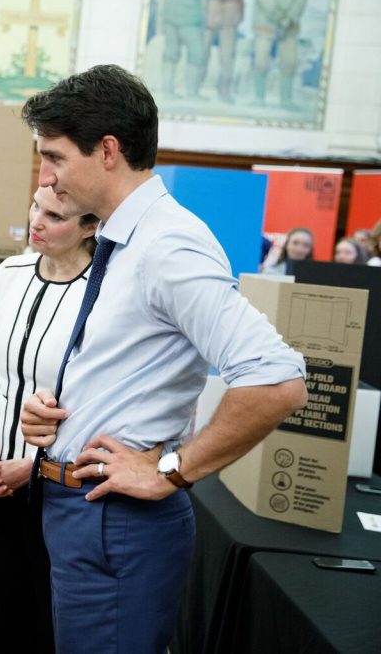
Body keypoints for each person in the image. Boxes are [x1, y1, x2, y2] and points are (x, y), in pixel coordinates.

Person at [18, 65, 307, 653]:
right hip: (81, 511)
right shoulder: (128, 238)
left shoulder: (168, 243)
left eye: (54, 157)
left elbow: (278, 380)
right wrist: (60, 414)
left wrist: (170, 469)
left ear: (106, 151)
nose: (45, 177)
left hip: (115, 521)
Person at [0, 184, 97, 652]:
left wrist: (35, 468)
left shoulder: (104, 292)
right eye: (35, 208)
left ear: (91, 226)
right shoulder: (10, 273)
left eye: (55, 216)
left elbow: (97, 404)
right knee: (3, 612)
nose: (36, 222)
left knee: (49, 620)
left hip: (64, 486)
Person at [253, 0, 310, 108]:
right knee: (261, 61)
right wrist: (279, 16)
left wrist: (291, 16)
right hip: (265, 22)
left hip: (290, 25)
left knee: (289, 62)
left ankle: (286, 100)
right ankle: (259, 98)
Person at [159, 0, 215, 99]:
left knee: (170, 53)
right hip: (188, 15)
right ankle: (192, 93)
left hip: (171, 12)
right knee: (197, 53)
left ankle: (167, 91)